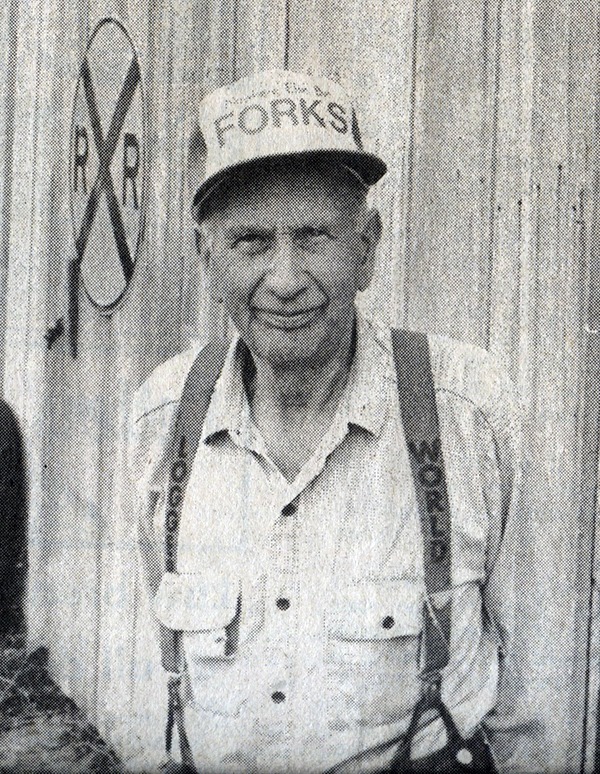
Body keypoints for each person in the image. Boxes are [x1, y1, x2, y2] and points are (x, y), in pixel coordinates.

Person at [129, 70, 544, 773]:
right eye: (251, 242)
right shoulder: (165, 417)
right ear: (207, 257)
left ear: (367, 247)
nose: (286, 280)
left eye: (315, 236)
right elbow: (163, 677)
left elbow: (536, 700)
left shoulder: (467, 409)